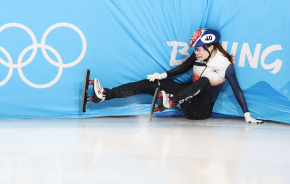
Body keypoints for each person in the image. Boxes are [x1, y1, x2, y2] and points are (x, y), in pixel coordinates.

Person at [92, 28, 263, 124]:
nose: (196, 53)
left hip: (201, 110)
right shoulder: (197, 56)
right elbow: (182, 69)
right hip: (185, 99)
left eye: (198, 49)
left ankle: (171, 102)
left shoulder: (225, 65)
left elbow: (237, 90)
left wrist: (247, 114)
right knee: (151, 84)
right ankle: (105, 95)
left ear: (210, 46)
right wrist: (162, 75)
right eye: (194, 49)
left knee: (204, 81)